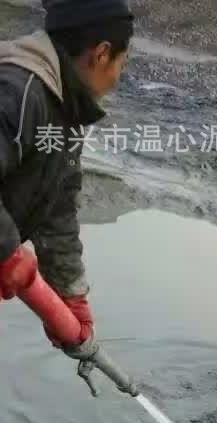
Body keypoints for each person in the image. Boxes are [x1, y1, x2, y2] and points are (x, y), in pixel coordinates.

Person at [0, 0, 133, 352]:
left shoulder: (64, 108)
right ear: (101, 53)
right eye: (123, 61)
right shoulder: (18, 93)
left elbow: (57, 209)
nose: (119, 77)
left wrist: (70, 295)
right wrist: (8, 251)